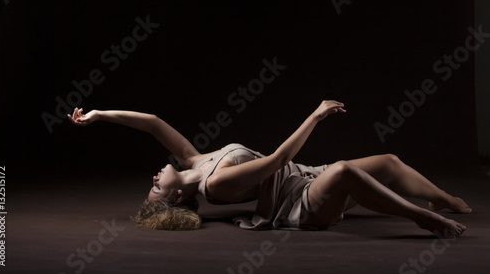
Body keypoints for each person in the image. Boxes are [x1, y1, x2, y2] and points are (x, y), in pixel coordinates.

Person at [68, 100, 471, 237]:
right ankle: (422, 217)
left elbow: (152, 122)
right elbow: (277, 161)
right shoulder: (216, 185)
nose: (154, 179)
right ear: (178, 196)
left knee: (388, 161)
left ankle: (444, 199)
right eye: (156, 189)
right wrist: (315, 115)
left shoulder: (193, 160)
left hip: (307, 173)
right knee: (346, 171)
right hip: (303, 202)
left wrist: (101, 114)